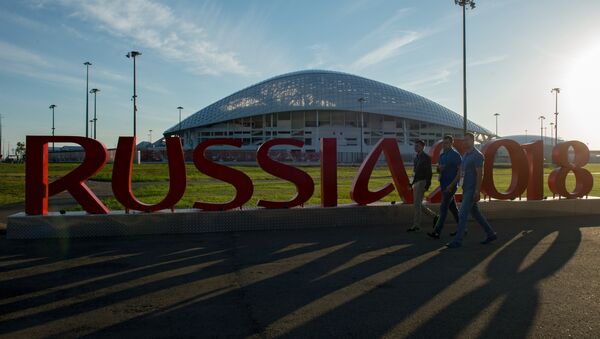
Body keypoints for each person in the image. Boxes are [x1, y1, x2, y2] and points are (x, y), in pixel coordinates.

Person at [446, 132, 497, 248]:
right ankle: (491, 234)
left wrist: (477, 191)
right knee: (476, 214)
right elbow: (460, 172)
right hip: (465, 188)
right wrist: (452, 184)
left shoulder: (477, 156)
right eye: (464, 140)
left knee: (462, 214)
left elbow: (480, 174)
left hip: (471, 190)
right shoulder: (465, 155)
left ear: (473, 141)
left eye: (467, 140)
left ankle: (458, 241)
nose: (465, 142)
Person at [428, 135, 461, 239]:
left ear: (451, 143)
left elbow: (460, 171)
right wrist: (439, 169)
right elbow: (439, 170)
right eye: (443, 143)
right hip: (443, 185)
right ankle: (463, 228)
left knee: (443, 209)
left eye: (447, 143)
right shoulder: (442, 156)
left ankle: (437, 232)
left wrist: (452, 185)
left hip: (451, 186)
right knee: (453, 209)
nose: (445, 145)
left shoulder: (455, 155)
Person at [407, 139, 436, 232]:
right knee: (418, 204)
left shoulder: (426, 158)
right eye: (415, 146)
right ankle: (435, 217)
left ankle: (416, 225)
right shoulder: (416, 158)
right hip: (416, 183)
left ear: (423, 147)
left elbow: (429, 172)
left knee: (416, 205)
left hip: (422, 182)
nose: (416, 147)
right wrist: (410, 183)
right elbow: (414, 173)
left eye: (418, 146)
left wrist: (427, 185)